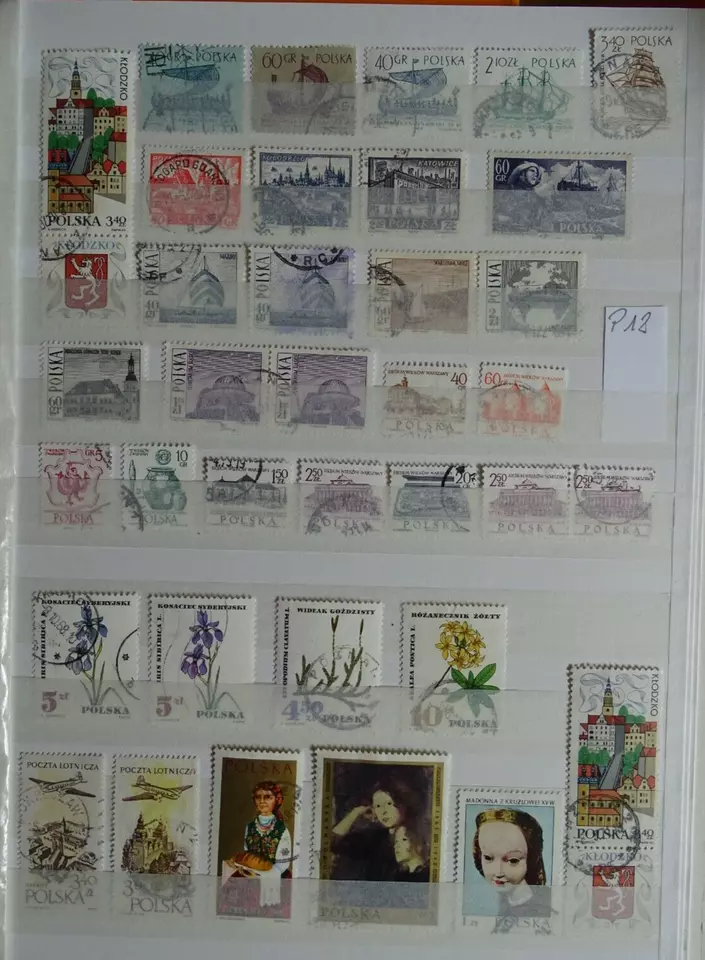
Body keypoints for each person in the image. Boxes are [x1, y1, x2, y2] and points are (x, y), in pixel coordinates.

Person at [330, 779, 426, 882]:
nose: (384, 812)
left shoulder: (416, 837)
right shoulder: (375, 838)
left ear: (403, 804)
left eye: (389, 803)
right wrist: (355, 812)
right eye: (378, 806)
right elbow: (332, 842)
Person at [472, 808, 549, 916]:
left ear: (531, 857)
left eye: (513, 860)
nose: (498, 872)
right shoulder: (506, 902)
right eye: (488, 858)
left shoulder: (543, 909)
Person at [225, 780, 292, 879]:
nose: (262, 801)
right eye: (258, 797)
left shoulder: (282, 829)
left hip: (275, 875)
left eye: (267, 797)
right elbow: (248, 853)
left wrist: (262, 876)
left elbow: (283, 864)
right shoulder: (250, 827)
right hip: (251, 872)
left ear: (277, 800)